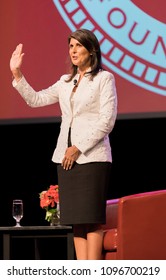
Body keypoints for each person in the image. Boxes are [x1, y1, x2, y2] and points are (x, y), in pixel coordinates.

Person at [10, 29, 117, 260]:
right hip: (66, 160)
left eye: (79, 46)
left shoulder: (103, 79)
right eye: (71, 46)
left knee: (92, 220)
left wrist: (78, 146)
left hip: (92, 158)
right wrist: (17, 74)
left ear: (92, 50)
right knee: (77, 223)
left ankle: (94, 274)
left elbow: (106, 121)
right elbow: (35, 100)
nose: (74, 51)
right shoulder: (65, 82)